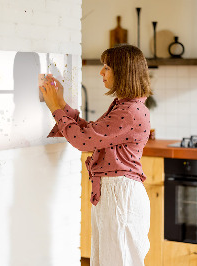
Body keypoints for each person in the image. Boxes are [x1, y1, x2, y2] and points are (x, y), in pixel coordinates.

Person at [40, 44, 152, 266]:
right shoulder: (125, 106)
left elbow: (83, 141)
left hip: (120, 195)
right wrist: (61, 103)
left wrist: (55, 108)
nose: (101, 72)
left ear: (123, 72)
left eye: (107, 67)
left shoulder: (129, 111)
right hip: (115, 193)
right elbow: (91, 133)